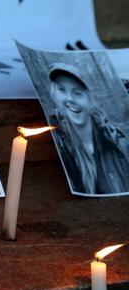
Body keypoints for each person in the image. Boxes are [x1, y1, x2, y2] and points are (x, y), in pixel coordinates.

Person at [47, 63, 129, 194]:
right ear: (54, 95)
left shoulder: (117, 142)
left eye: (77, 93)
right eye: (61, 90)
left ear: (90, 100)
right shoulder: (54, 142)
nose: (69, 99)